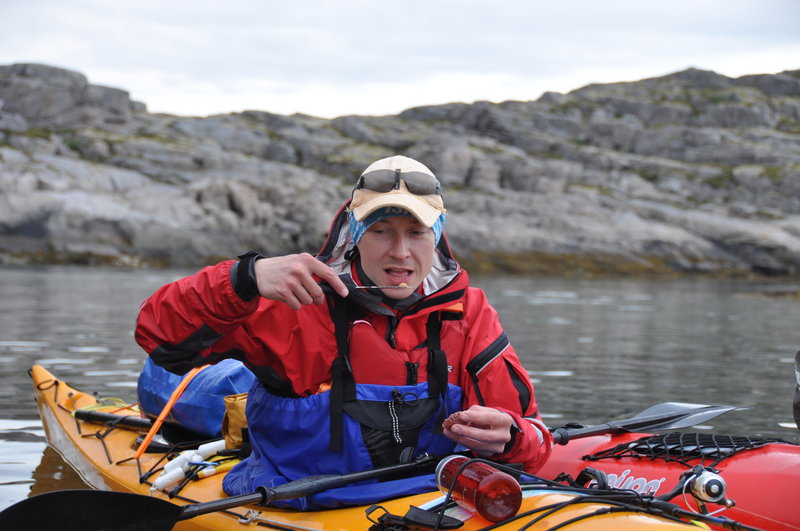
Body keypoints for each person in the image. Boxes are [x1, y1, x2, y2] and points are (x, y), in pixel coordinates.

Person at [135, 155, 553, 509]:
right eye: (381, 230)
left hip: (424, 500)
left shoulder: (470, 312)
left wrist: (512, 435)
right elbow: (159, 338)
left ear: (437, 235)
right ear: (354, 234)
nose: (400, 252)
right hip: (296, 502)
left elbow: (533, 436)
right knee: (200, 383)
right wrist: (244, 276)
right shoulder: (295, 299)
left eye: (416, 233)